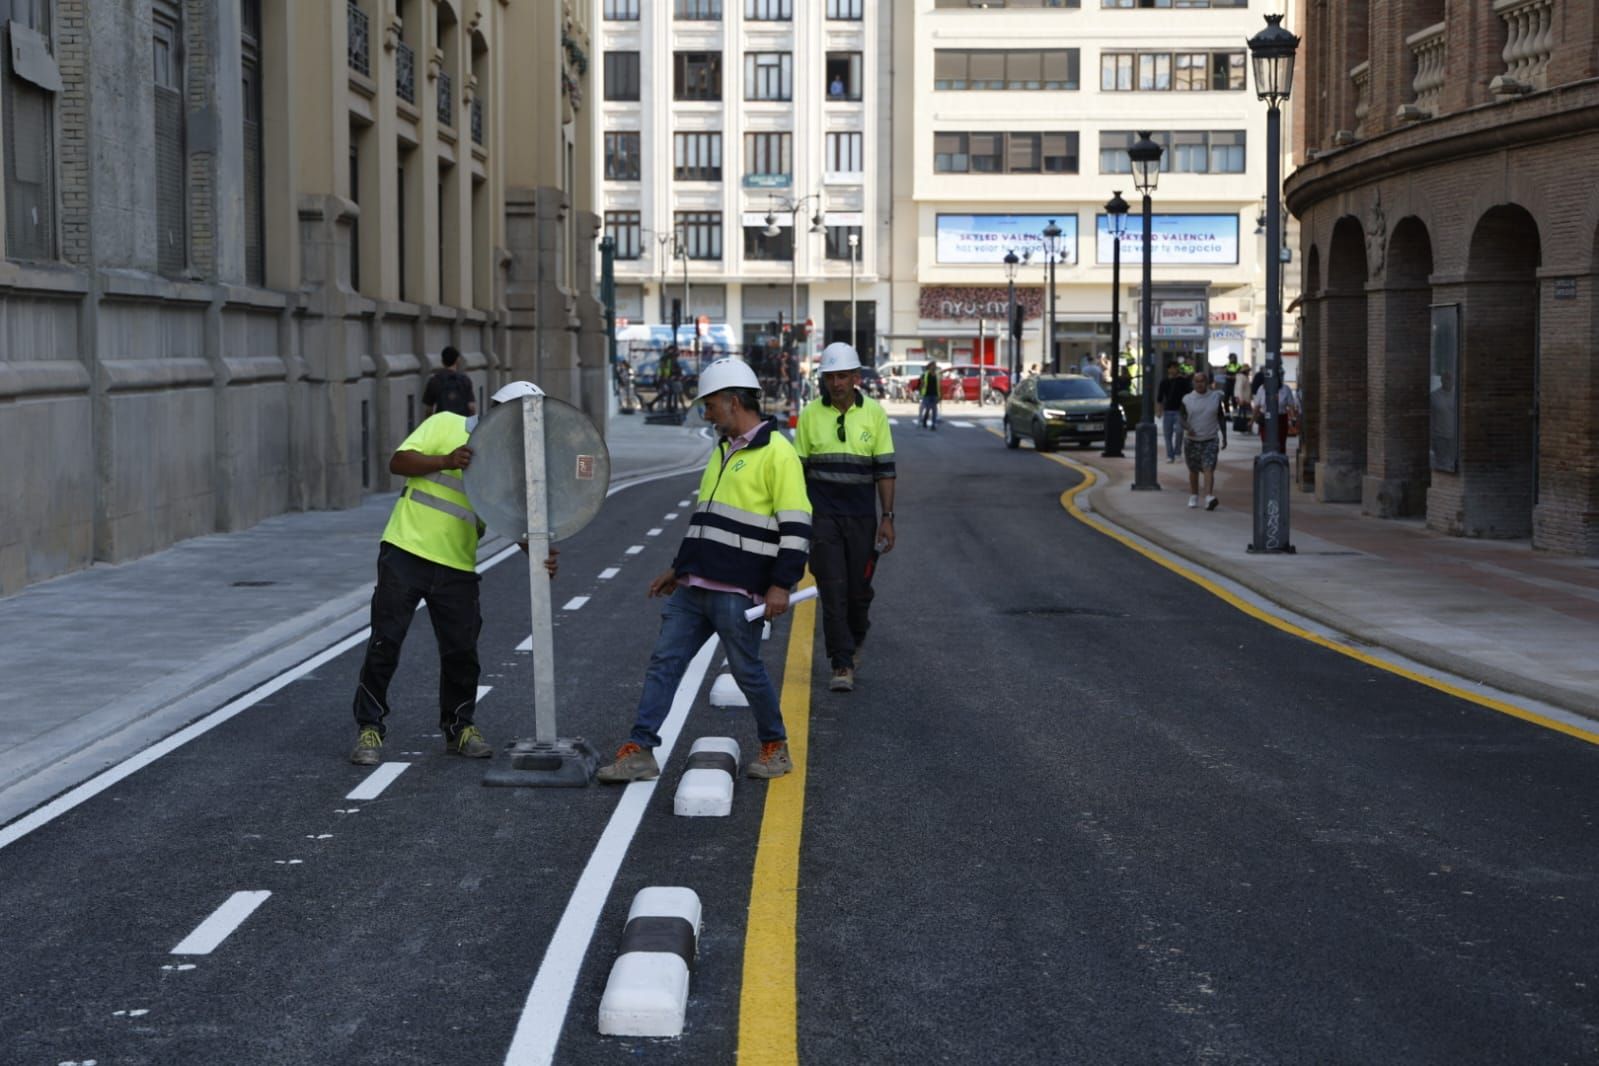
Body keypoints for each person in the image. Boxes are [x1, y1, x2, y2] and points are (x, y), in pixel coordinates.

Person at [597, 357, 811, 783]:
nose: (706, 413)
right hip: (693, 588)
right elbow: (706, 520)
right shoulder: (722, 450)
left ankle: (775, 746)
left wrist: (781, 586)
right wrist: (679, 569)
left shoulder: (778, 454)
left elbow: (797, 526)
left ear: (733, 402)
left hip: (739, 591)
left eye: (710, 405)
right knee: (664, 662)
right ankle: (641, 750)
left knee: (747, 670)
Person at [349, 381, 558, 766]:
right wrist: (445, 460)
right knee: (386, 642)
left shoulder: (511, 464)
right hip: (405, 550)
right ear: (497, 411)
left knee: (462, 651)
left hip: (457, 564)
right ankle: (369, 727)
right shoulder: (446, 423)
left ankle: (459, 727)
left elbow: (514, 521)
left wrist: (538, 554)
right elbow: (399, 461)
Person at [794, 343, 896, 693]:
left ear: (856, 378)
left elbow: (885, 471)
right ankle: (841, 662)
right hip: (823, 518)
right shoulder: (809, 415)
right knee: (832, 590)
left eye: (842, 376)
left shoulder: (875, 415)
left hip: (862, 519)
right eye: (830, 377)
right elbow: (798, 473)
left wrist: (888, 517)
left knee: (857, 592)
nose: (836, 383)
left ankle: (857, 637)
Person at [1181, 370, 1226, 511]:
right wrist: (1187, 427)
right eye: (1197, 381)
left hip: (1210, 438)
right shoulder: (1187, 399)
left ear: (1207, 383)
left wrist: (1225, 436)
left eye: (1202, 381)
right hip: (1192, 439)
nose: (1199, 384)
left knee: (1209, 467)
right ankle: (1194, 495)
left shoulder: (1215, 397)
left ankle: (1208, 497)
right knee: (1193, 470)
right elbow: (1181, 417)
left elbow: (1221, 417)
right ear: (1193, 383)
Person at [421, 345, 476, 418]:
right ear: (457, 361)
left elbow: (429, 409)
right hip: (460, 424)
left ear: (442, 361)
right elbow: (471, 407)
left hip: (442, 424)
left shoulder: (435, 381)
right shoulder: (464, 380)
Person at [1253, 374, 1300, 455]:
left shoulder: (1285, 389)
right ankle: (1267, 458)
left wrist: (1293, 418)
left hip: (1281, 419)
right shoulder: (1262, 389)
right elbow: (1257, 406)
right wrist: (1252, 420)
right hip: (1265, 419)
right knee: (1266, 441)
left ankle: (1280, 459)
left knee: (1281, 442)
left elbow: (1291, 405)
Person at [1154, 362, 1191, 464]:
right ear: (1168, 370)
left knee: (1179, 432)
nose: (1174, 370)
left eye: (1176, 367)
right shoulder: (1164, 382)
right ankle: (1170, 455)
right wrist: (1158, 410)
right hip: (1168, 411)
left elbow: (1189, 395)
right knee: (1167, 434)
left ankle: (1177, 453)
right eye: (1172, 368)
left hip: (1180, 411)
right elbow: (1160, 398)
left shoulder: (1183, 381)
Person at [917, 360, 942, 430]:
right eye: (933, 366)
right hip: (926, 395)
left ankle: (933, 425)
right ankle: (924, 420)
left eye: (935, 366)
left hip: (935, 395)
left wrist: (940, 396)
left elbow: (939, 385)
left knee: (934, 410)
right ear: (930, 366)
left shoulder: (937, 375)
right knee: (927, 409)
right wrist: (920, 392)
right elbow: (921, 384)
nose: (934, 367)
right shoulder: (925, 374)